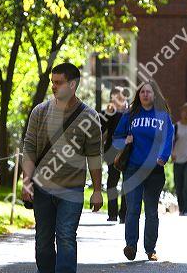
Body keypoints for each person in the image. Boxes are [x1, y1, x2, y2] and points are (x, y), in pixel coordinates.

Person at [22, 62, 103, 273]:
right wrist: (26, 183)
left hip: (72, 189)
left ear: (73, 85)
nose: (54, 87)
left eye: (59, 83)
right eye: (52, 82)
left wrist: (97, 190)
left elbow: (94, 156)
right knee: (43, 243)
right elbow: (29, 149)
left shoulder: (89, 116)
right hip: (42, 188)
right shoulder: (39, 112)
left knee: (66, 237)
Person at [113, 80, 173, 262]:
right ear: (138, 95)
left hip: (154, 170)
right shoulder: (130, 115)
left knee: (151, 211)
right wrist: (125, 142)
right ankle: (130, 246)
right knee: (133, 208)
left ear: (155, 95)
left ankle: (150, 249)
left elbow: (168, 139)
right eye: (142, 92)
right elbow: (116, 138)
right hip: (133, 167)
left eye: (149, 92)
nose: (145, 95)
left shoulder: (163, 116)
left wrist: (163, 157)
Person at [101, 86, 127, 223]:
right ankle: (112, 214)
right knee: (112, 182)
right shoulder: (108, 113)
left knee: (126, 183)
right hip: (111, 151)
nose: (117, 99)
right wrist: (108, 114)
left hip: (127, 152)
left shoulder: (130, 112)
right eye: (115, 97)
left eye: (120, 96)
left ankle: (124, 214)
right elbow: (101, 128)